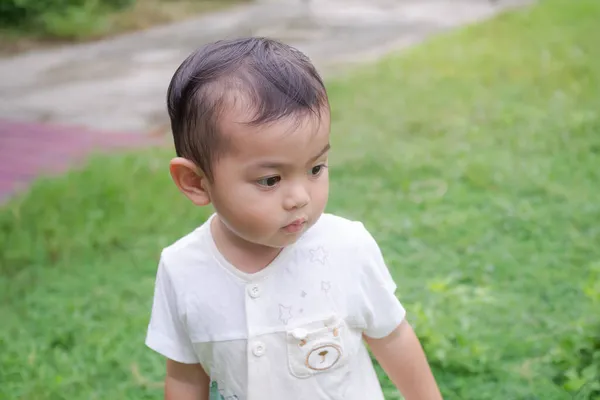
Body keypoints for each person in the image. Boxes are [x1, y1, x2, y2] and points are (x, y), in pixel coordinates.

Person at [145, 37, 442, 400]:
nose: (300, 197)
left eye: (316, 168)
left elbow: (393, 337)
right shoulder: (182, 269)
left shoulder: (347, 248)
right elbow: (186, 375)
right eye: (270, 180)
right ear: (196, 182)